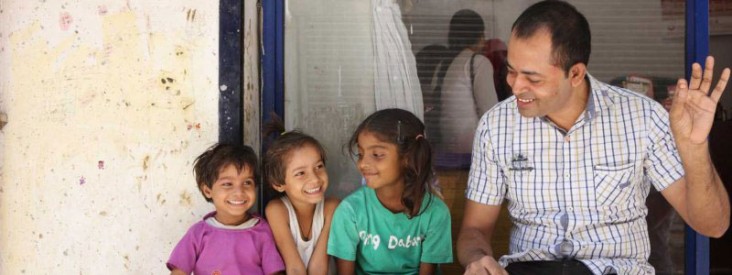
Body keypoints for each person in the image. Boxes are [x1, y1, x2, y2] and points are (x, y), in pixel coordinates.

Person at [456, 1, 731, 275]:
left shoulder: (642, 117)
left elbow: (713, 225)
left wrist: (694, 149)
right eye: (511, 70)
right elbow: (474, 230)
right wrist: (478, 258)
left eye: (533, 79)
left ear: (575, 73)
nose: (515, 86)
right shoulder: (496, 125)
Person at [327, 108, 453, 274]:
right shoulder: (350, 211)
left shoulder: (435, 213)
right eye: (360, 154)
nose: (362, 164)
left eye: (377, 154)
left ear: (408, 157)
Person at [167, 143, 285, 275]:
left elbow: (274, 271)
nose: (239, 192)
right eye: (228, 184)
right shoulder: (198, 233)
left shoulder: (262, 232)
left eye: (247, 183)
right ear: (207, 190)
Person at [263, 119, 339, 275]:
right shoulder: (277, 210)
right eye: (300, 173)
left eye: (319, 167)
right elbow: (294, 268)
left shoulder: (332, 207)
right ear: (278, 184)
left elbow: (319, 267)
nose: (315, 179)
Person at [436, 9, 498, 162]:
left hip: (447, 148)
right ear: (479, 35)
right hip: (472, 151)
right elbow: (490, 111)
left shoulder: (443, 64)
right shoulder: (478, 62)